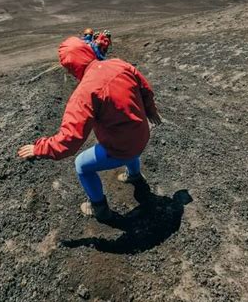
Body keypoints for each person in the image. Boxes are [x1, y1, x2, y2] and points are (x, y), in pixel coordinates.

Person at [17, 31, 161, 222]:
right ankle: (135, 175)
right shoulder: (119, 64)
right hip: (142, 133)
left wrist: (39, 148)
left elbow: (69, 141)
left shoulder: (85, 92)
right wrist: (151, 111)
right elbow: (146, 89)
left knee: (82, 166)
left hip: (123, 146)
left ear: (71, 68)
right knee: (128, 139)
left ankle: (99, 208)